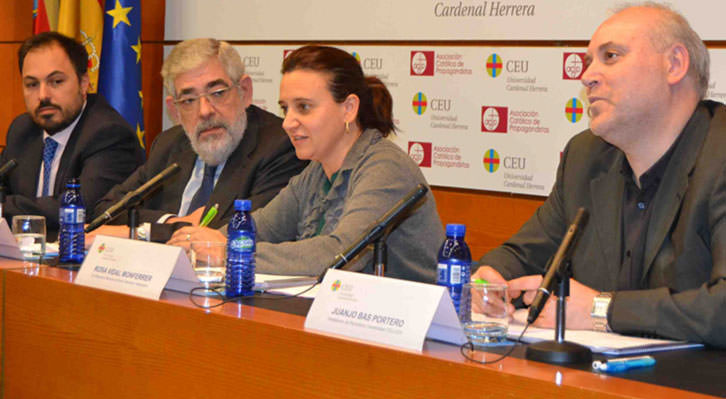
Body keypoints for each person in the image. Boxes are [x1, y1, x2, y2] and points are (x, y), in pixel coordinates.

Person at [473, 3, 726, 348]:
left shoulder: (719, 154)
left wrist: (599, 310)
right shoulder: (586, 157)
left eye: (610, 56)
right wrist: (491, 280)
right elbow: (522, 255)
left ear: (674, 64)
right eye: (589, 60)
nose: (587, 75)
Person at [169, 45, 443, 283]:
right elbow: (261, 228)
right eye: (285, 108)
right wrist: (202, 243)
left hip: (407, 332)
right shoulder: (315, 172)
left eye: (304, 107)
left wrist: (229, 250)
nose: (288, 122)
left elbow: (339, 254)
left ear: (348, 108)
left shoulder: (385, 167)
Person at [89, 39, 307, 242]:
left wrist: (139, 232)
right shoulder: (169, 144)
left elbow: (238, 232)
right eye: (189, 100)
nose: (205, 111)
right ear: (174, 110)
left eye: (218, 93)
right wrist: (171, 223)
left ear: (245, 91)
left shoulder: (280, 146)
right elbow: (106, 211)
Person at [0, 32, 145, 239]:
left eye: (56, 82)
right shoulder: (22, 130)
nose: (43, 96)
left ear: (83, 83)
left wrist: (5, 206)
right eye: (32, 84)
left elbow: (81, 207)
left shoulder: (108, 134)